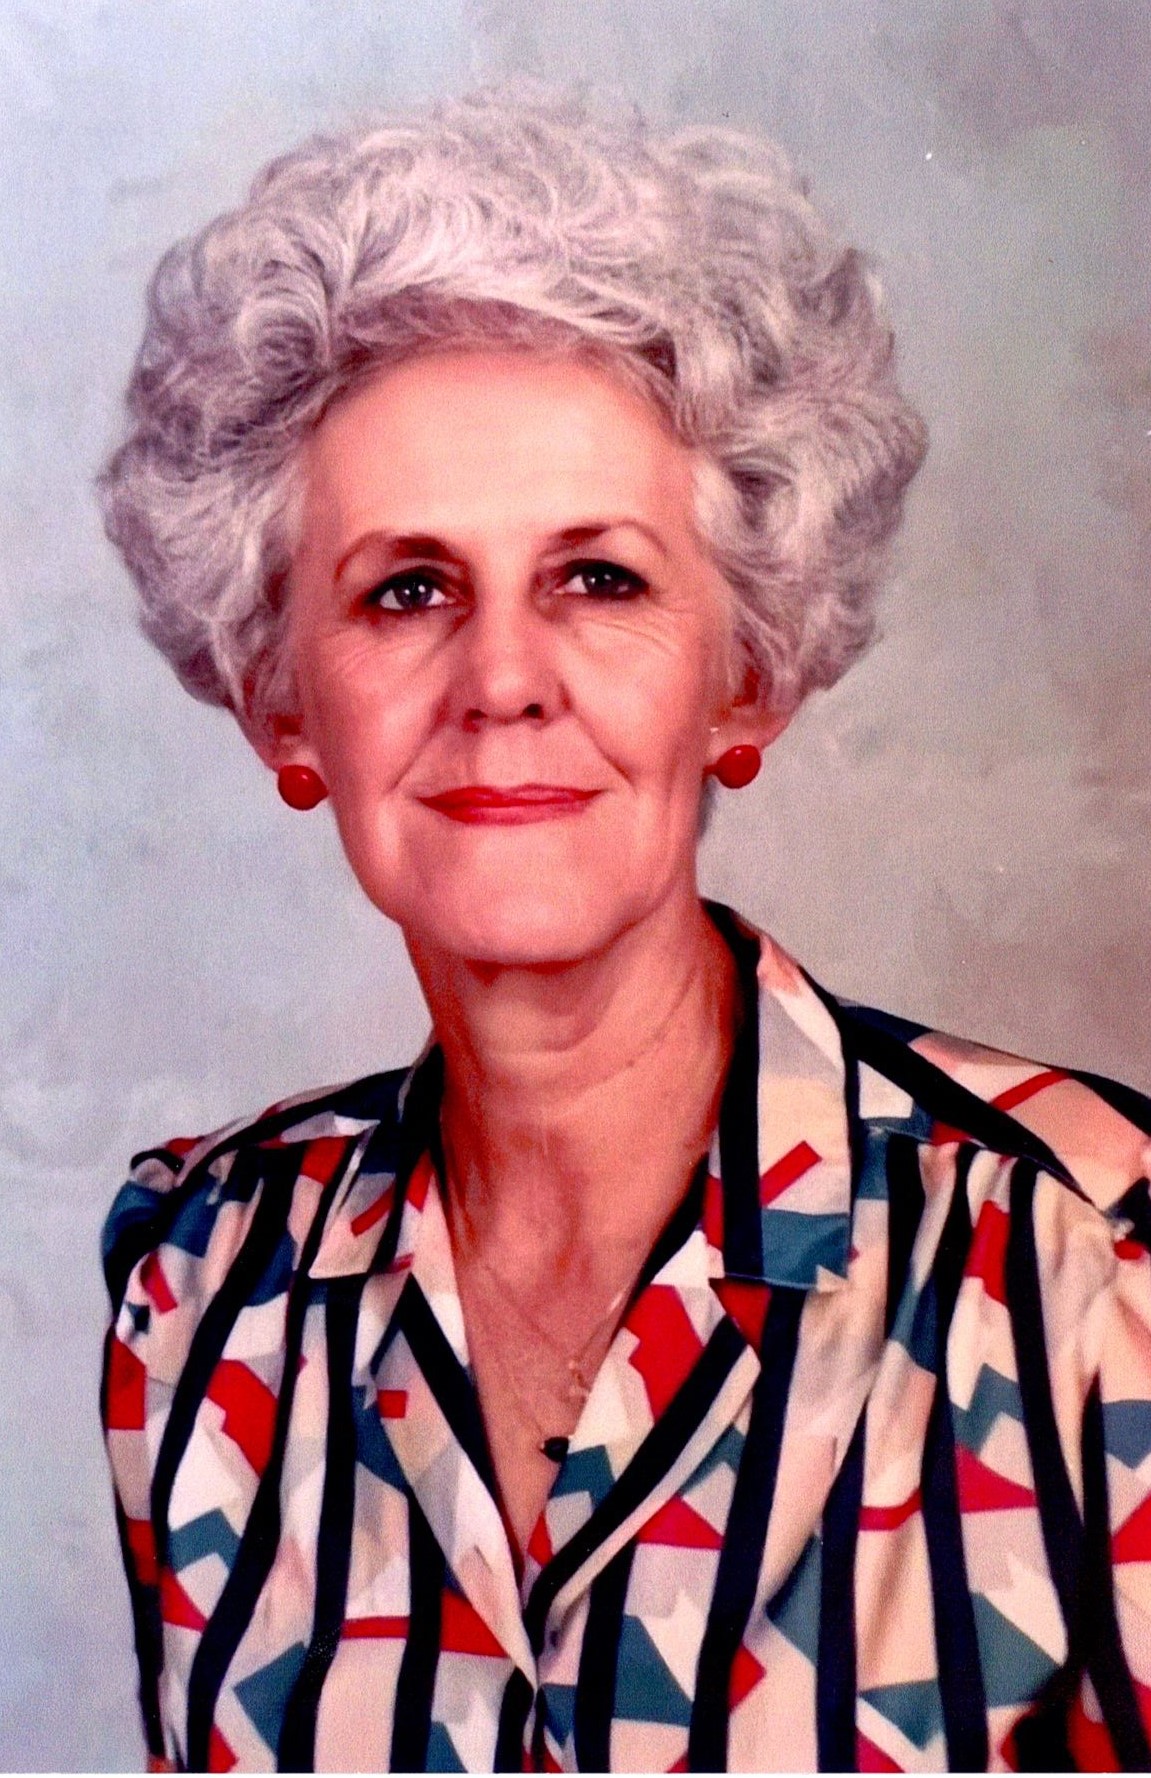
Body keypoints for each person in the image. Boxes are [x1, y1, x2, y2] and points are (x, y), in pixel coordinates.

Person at [98, 89, 1151, 1773]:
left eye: (599, 578)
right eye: (405, 589)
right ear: (281, 703)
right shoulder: (206, 1284)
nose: (504, 677)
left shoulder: (1091, 1262)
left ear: (748, 673)